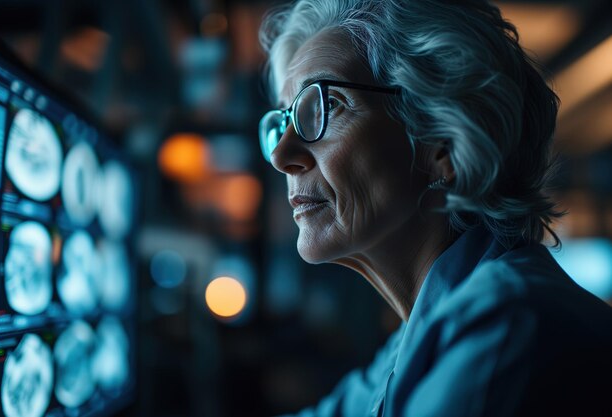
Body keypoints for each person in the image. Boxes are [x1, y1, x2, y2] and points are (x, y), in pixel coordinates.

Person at [257, 0, 612, 416]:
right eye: (284, 121)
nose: (282, 154)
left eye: (327, 106)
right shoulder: (410, 345)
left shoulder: (506, 323)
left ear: (442, 139)